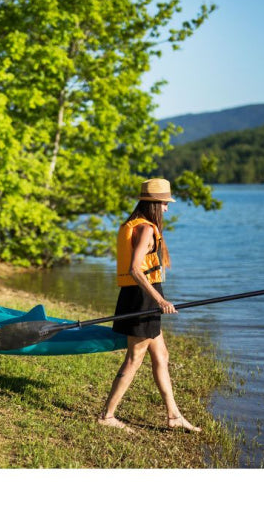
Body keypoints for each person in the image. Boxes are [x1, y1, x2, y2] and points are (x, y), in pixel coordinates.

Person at [98, 178, 201, 433]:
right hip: (142, 298)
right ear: (154, 204)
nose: (167, 208)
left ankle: (173, 415)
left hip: (140, 296)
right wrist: (160, 300)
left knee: (162, 355)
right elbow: (135, 269)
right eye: (165, 204)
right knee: (134, 359)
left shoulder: (133, 224)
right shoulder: (145, 229)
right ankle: (107, 415)